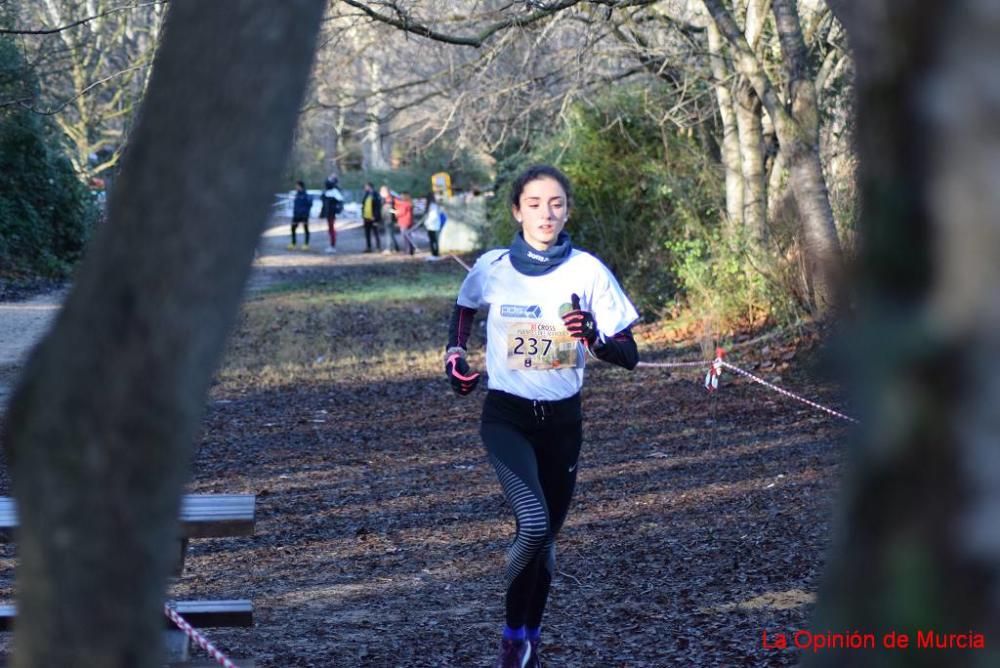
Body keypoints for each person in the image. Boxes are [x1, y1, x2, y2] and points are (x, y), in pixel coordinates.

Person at [443, 165, 640, 668]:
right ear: (517, 210)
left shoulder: (588, 272)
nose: (545, 213)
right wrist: (454, 355)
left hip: (563, 424)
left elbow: (629, 352)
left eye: (555, 203)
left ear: (567, 209)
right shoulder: (492, 266)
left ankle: (528, 637)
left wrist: (593, 336)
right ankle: (512, 637)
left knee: (546, 538)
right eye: (534, 203)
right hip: (506, 417)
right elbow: (464, 308)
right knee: (531, 526)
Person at [321, 175, 344, 254]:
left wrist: (337, 211)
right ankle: (332, 245)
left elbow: (339, 203)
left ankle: (332, 246)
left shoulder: (334, 192)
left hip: (332, 213)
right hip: (329, 213)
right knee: (330, 229)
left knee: (332, 230)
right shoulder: (329, 192)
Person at [289, 180, 311, 250]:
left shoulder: (306, 195)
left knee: (306, 229)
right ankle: (293, 243)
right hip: (296, 215)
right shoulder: (297, 195)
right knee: (293, 229)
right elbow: (296, 205)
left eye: (297, 185)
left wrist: (305, 213)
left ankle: (306, 244)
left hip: (304, 215)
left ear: (300, 186)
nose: (296, 187)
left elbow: (309, 205)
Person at [360, 182, 382, 253]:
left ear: (370, 187)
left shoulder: (375, 194)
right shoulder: (366, 195)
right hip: (366, 217)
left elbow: (377, 207)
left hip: (373, 217)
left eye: (366, 186)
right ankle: (368, 247)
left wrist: (375, 216)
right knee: (367, 233)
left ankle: (378, 247)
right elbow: (364, 205)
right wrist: (363, 215)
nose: (365, 188)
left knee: (375, 233)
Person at [379, 184, 400, 253]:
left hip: (389, 219)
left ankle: (389, 249)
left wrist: (392, 211)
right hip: (387, 218)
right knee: (391, 234)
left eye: (381, 191)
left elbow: (392, 209)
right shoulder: (386, 199)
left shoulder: (389, 199)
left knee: (388, 234)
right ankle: (396, 247)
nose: (380, 193)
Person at [422, 191, 443, 259]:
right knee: (433, 241)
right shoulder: (433, 205)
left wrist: (427, 223)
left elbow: (434, 216)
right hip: (432, 225)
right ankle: (434, 254)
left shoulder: (433, 206)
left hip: (433, 225)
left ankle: (435, 254)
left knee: (434, 241)